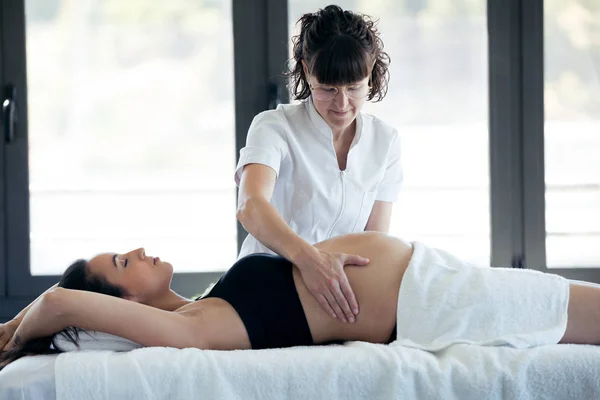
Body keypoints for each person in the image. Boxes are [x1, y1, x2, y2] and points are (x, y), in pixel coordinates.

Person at [1, 231, 600, 371]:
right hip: (441, 301)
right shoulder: (203, 324)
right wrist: (25, 322)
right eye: (123, 265)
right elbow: (60, 305)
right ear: (120, 302)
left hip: (439, 278)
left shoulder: (210, 301)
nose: (136, 250)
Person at [235, 5, 401, 324]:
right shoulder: (274, 126)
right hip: (264, 282)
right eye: (328, 89)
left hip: (338, 296)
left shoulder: (386, 141)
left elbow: (375, 241)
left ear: (371, 76)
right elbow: (250, 206)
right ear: (306, 70)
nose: (341, 104)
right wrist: (309, 262)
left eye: (354, 88)